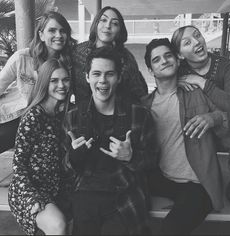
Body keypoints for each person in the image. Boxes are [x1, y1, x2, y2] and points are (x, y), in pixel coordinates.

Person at [64, 46, 158, 235]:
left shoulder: (139, 115)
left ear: (119, 77)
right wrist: (74, 157)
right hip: (85, 195)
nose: (103, 81)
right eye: (96, 74)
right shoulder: (73, 117)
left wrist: (131, 157)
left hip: (124, 196)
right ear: (87, 77)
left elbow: (153, 161)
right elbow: (64, 168)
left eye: (110, 74)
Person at [142, 38, 229, 235]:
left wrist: (213, 118)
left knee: (169, 230)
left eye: (168, 55)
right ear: (150, 70)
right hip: (161, 178)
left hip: (197, 183)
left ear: (178, 60)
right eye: (157, 60)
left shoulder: (197, 93)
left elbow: (228, 121)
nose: (164, 61)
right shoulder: (144, 105)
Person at [171, 25, 230, 210]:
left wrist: (201, 82)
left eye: (197, 35)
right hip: (196, 137)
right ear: (181, 55)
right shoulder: (179, 71)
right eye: (187, 42)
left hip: (228, 130)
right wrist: (176, 82)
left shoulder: (227, 66)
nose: (196, 42)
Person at [8, 58, 71, 235]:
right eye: (54, 80)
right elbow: (18, 166)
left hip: (55, 187)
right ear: (44, 83)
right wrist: (31, 197)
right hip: (29, 189)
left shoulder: (63, 115)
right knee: (58, 225)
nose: (62, 85)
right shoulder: (33, 116)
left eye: (65, 79)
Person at [0, 10, 76, 154]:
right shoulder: (22, 57)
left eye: (63, 31)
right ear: (41, 35)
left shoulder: (71, 63)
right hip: (18, 116)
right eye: (52, 30)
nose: (58, 35)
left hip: (52, 119)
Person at [71, 6, 148, 104]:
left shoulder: (127, 59)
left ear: (120, 30)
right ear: (96, 24)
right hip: (81, 115)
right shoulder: (77, 53)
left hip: (117, 116)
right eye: (103, 20)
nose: (108, 26)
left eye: (115, 23)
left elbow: (139, 94)